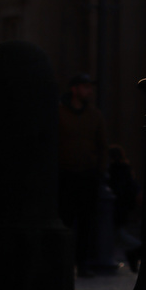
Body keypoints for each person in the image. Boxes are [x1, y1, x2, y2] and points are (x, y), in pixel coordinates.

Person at [58, 74, 109, 277]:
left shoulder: (94, 115)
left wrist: (99, 170)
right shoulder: (59, 112)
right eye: (85, 87)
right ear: (75, 89)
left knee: (86, 222)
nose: (89, 91)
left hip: (87, 175)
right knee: (65, 220)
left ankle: (83, 262)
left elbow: (102, 145)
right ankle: (64, 262)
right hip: (66, 174)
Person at [108, 144, 142, 272]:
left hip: (117, 205)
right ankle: (136, 251)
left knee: (118, 234)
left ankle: (137, 249)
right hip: (121, 206)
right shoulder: (125, 169)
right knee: (118, 233)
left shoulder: (114, 170)